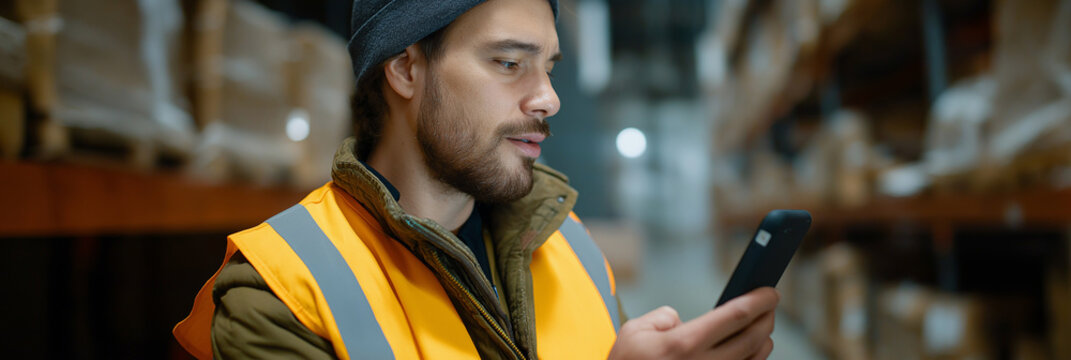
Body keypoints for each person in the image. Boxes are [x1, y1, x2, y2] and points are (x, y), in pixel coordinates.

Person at [173, 0, 780, 358]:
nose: (548, 99)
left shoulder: (570, 245)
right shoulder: (281, 294)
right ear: (406, 68)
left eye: (549, 68)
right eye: (510, 63)